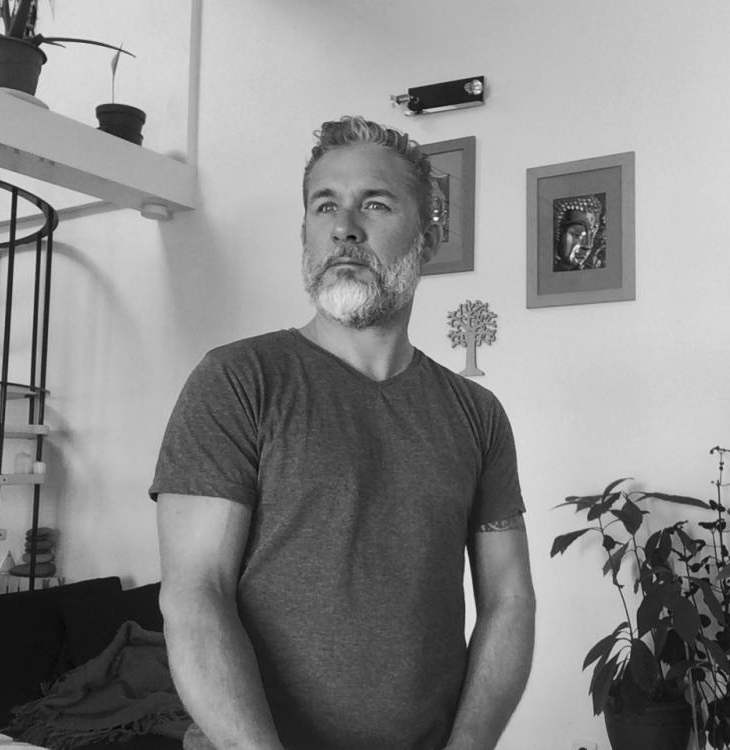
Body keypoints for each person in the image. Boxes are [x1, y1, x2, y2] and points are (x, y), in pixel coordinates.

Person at [150, 116, 535, 750]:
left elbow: (510, 600)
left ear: (428, 237)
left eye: (375, 204)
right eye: (324, 205)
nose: (344, 227)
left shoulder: (476, 413)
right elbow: (195, 595)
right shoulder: (237, 381)